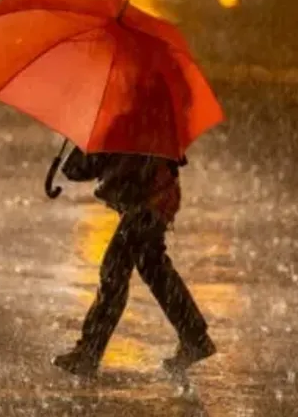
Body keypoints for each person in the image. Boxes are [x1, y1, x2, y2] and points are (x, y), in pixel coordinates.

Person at [52, 147, 216, 376]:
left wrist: (79, 152)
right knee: (153, 270)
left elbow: (86, 167)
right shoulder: (138, 129)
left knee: (114, 273)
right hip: (157, 201)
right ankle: (195, 338)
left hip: (148, 204)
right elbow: (85, 168)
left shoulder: (129, 128)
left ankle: (89, 353)